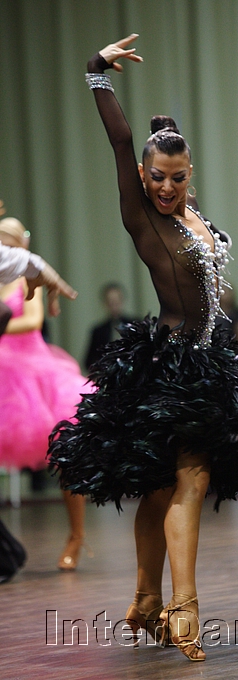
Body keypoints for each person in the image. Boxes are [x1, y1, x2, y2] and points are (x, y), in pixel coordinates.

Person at [48, 35, 238, 662]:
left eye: (176, 177)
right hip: (172, 365)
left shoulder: (192, 215)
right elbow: (122, 142)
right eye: (156, 178)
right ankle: (184, 609)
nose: (165, 187)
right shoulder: (142, 216)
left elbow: (160, 149)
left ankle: (147, 599)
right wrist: (97, 72)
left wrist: (163, 130)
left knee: (159, 489)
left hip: (207, 360)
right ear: (142, 178)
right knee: (189, 484)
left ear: (190, 175)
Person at [0, 217, 94, 571]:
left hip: (31, 367)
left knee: (63, 450)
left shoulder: (27, 277)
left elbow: (32, 320)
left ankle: (76, 535)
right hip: (3, 366)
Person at [84, 282, 136, 370]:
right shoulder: (98, 331)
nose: (114, 305)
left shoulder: (135, 325)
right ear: (105, 303)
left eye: (116, 301)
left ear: (122, 300)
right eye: (110, 302)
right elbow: (89, 361)